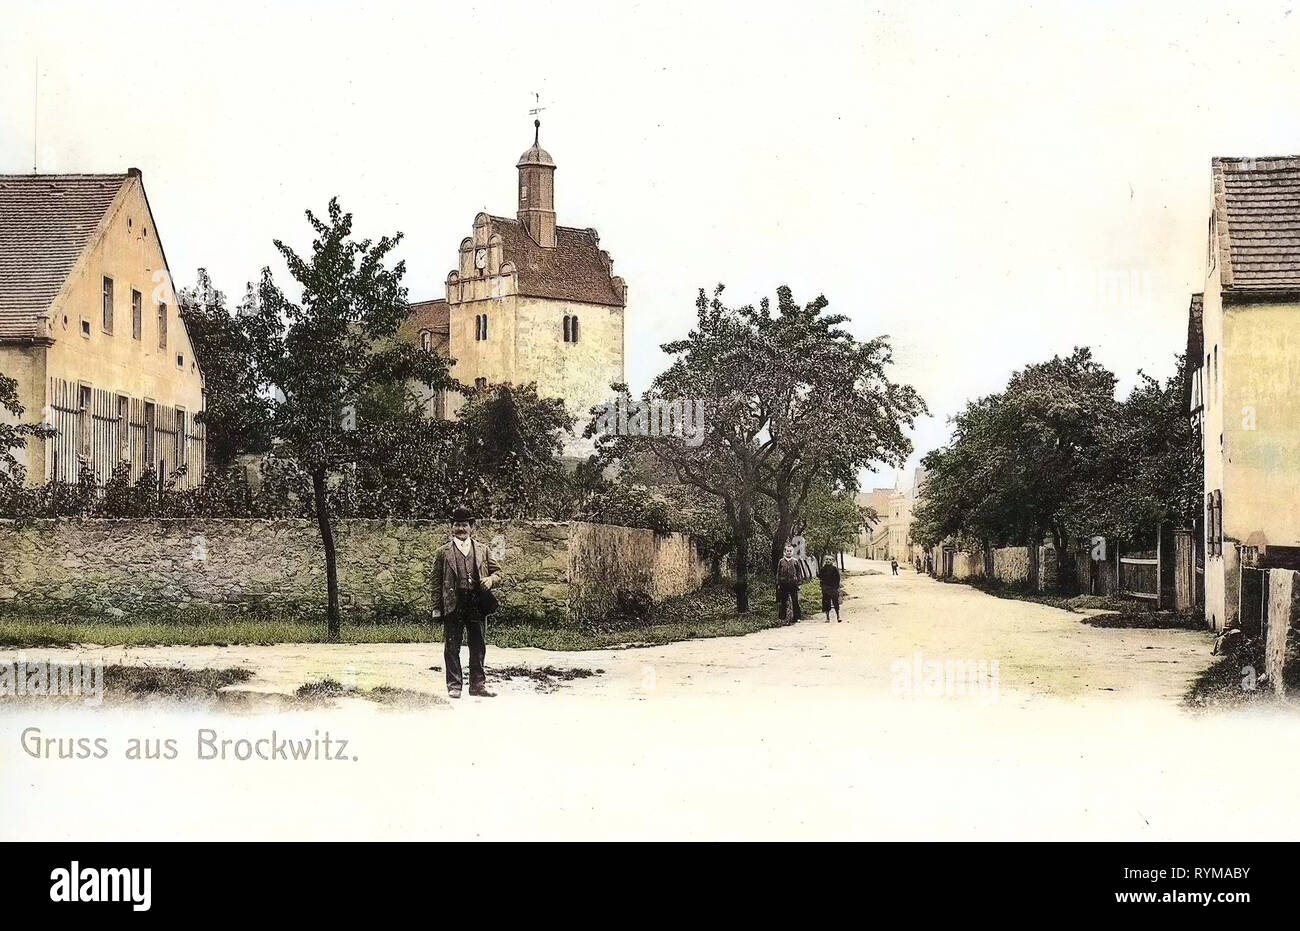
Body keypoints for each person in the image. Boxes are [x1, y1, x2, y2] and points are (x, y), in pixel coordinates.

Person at [433, 505, 503, 698]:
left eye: (464, 524)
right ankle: (454, 686)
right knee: (452, 647)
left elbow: (498, 572)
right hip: (453, 603)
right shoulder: (442, 552)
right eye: (457, 525)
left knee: (478, 645)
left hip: (476, 602)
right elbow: (435, 582)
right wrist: (436, 608)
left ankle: (477, 685)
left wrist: (490, 579)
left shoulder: (483, 550)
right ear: (451, 527)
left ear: (472, 526)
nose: (461, 529)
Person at [776, 543, 803, 621]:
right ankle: (782, 618)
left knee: (795, 601)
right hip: (783, 584)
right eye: (787, 551)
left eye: (790, 551)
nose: (789, 552)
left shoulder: (795, 561)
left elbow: (799, 573)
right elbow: (778, 573)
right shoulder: (781, 561)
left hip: (793, 584)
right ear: (784, 552)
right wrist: (778, 583)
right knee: (783, 601)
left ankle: (797, 617)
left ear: (793, 552)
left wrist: (799, 583)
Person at [817, 555, 842, 623]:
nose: (828, 561)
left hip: (833, 588)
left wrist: (836, 587)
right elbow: (820, 577)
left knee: (835, 602)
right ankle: (827, 618)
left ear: (832, 561)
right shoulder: (823, 569)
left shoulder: (834, 569)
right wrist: (823, 586)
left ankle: (838, 616)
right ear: (825, 561)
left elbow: (838, 579)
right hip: (826, 588)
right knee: (826, 603)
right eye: (827, 559)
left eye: (830, 560)